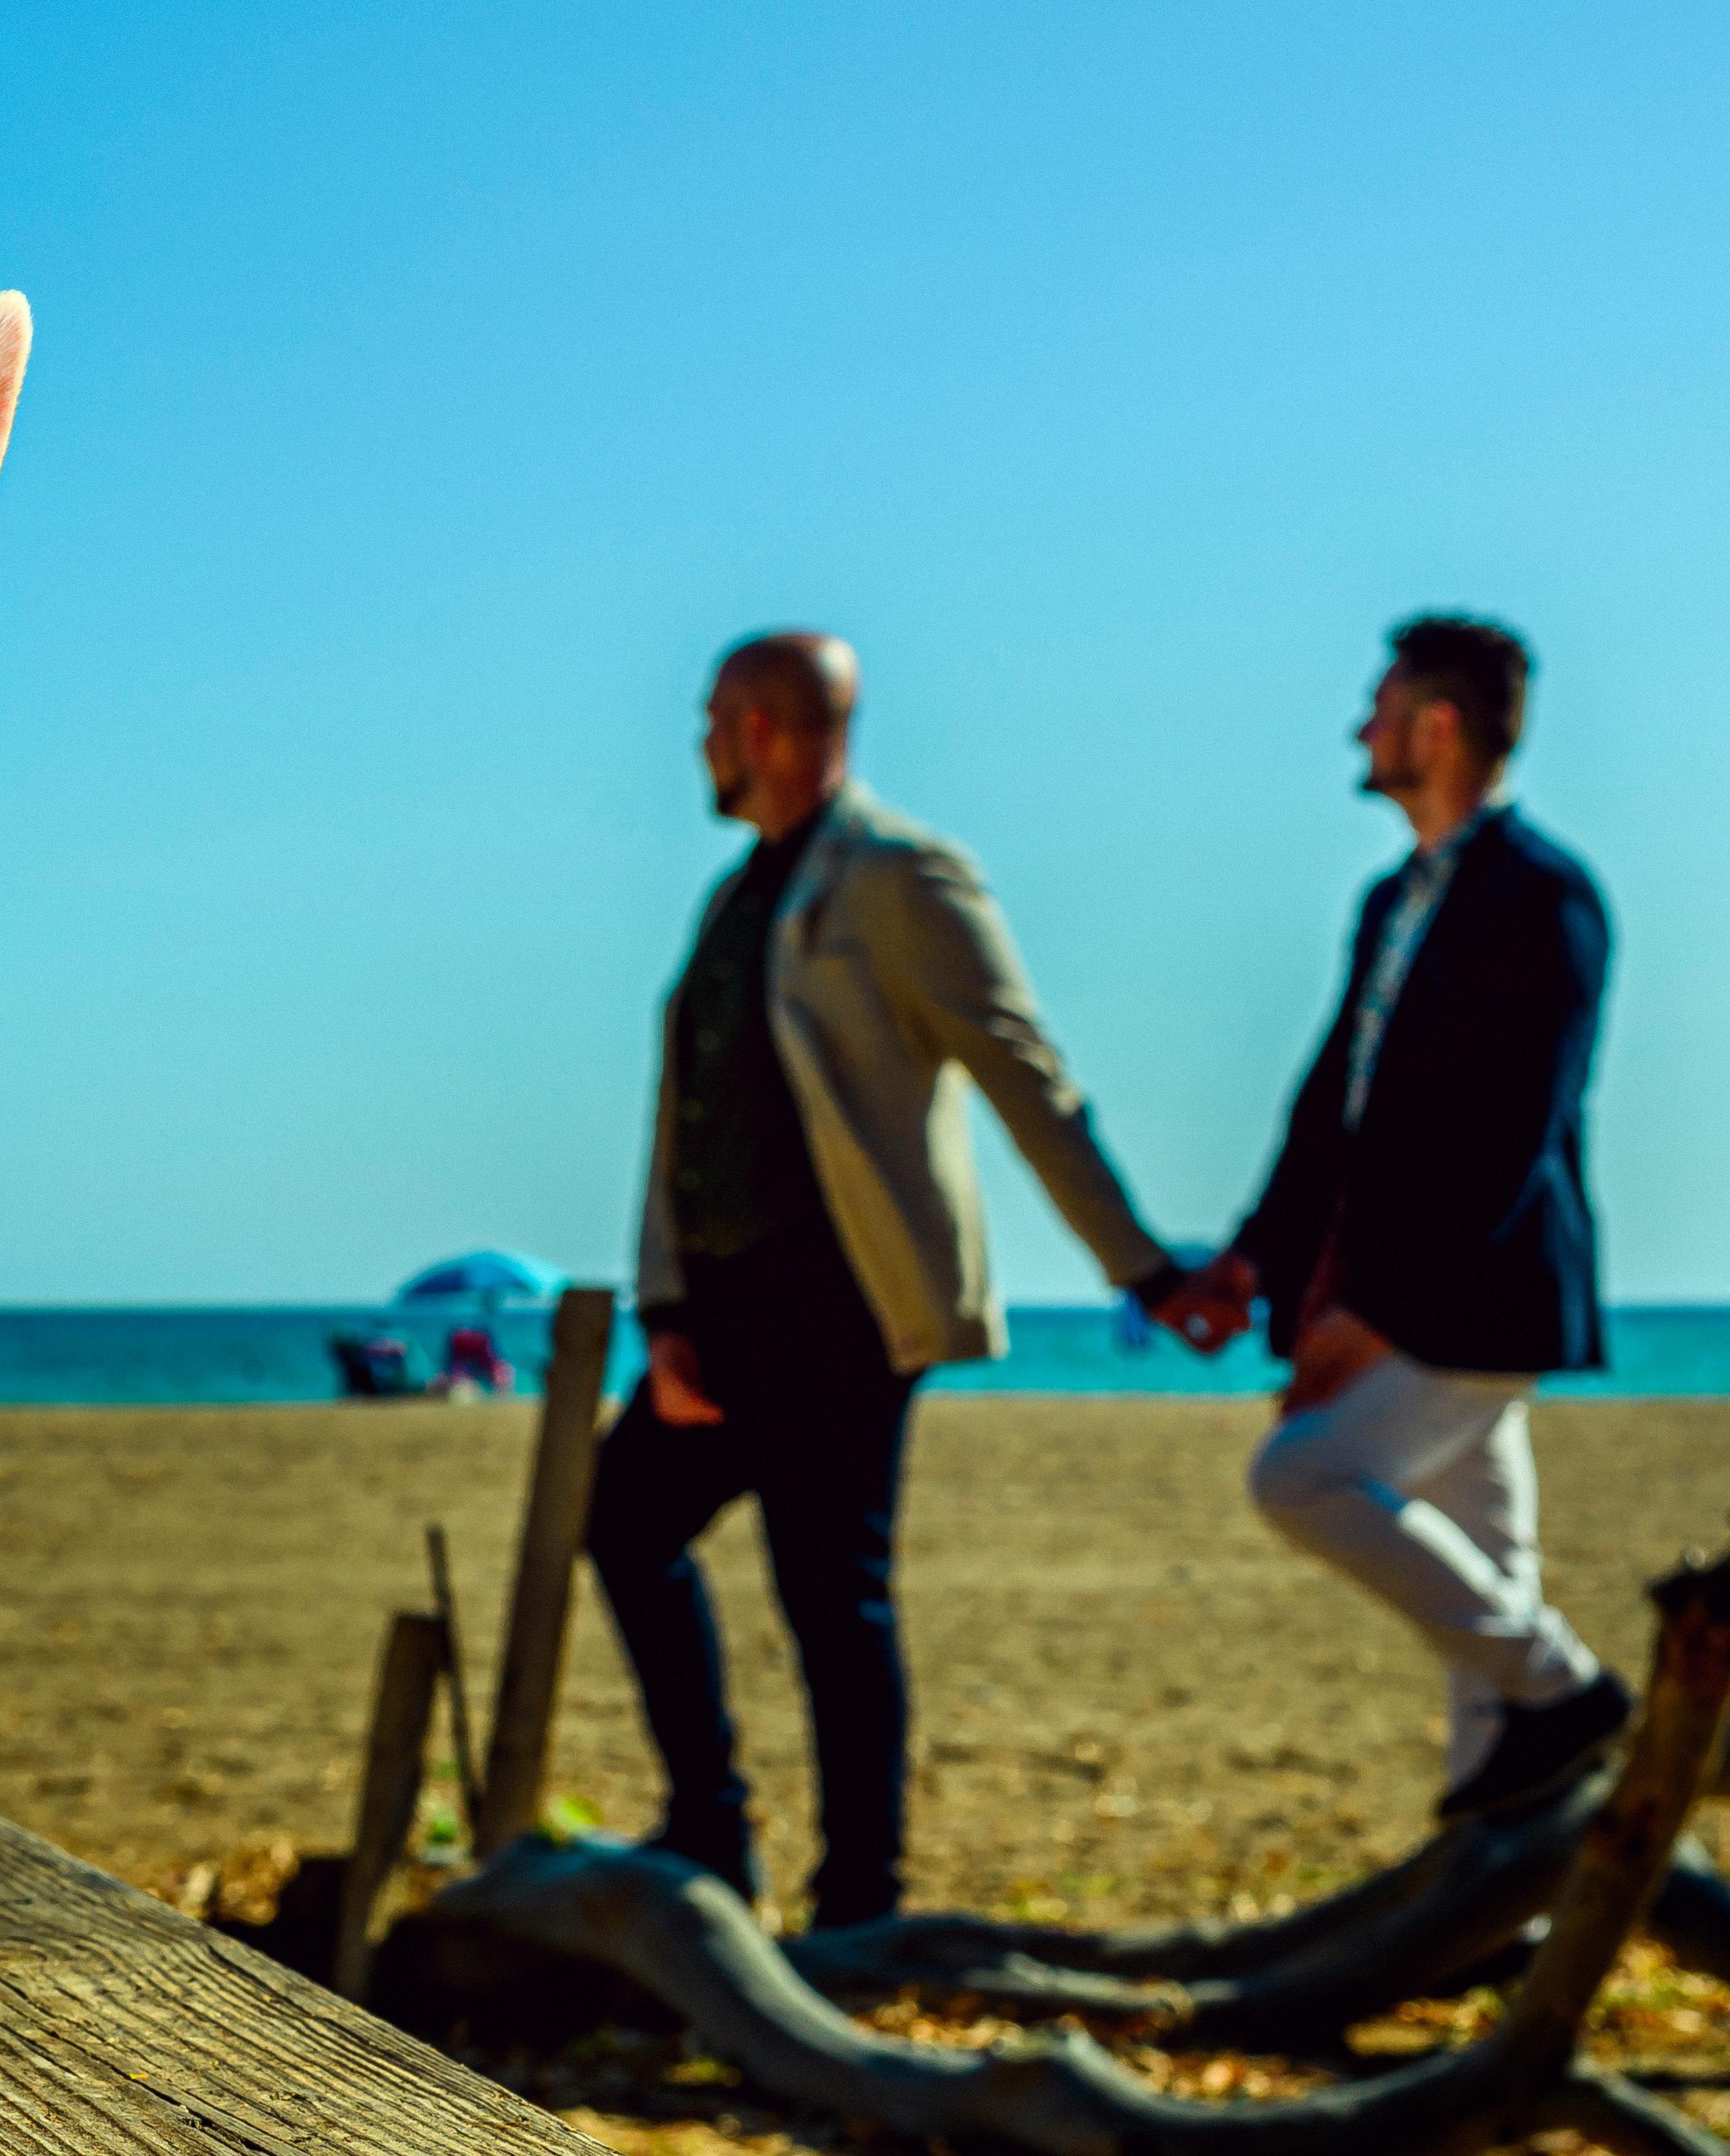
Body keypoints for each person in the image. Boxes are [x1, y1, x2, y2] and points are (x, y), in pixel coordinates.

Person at [587, 633, 1201, 1930]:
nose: (697, 741)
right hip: (725, 1315)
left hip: (844, 1307)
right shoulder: (731, 898)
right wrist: (668, 1311)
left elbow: (1020, 1066)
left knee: (832, 1595)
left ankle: (860, 1901)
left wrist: (1137, 1264)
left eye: (710, 718)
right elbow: (686, 1115)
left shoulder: (898, 877)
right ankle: (712, 1828)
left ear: (763, 727)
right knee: (625, 1522)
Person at [1158, 617, 1624, 1818]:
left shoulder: (1547, 897)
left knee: (1302, 1474)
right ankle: (1498, 1884)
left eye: (1379, 706)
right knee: (1490, 1562)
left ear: (1439, 726)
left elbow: (1513, 1133)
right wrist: (1256, 1261)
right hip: (1410, 1293)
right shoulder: (1390, 903)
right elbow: (1336, 1110)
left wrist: (1377, 1317)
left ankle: (1569, 1692)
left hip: (1486, 1295)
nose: (1359, 728)